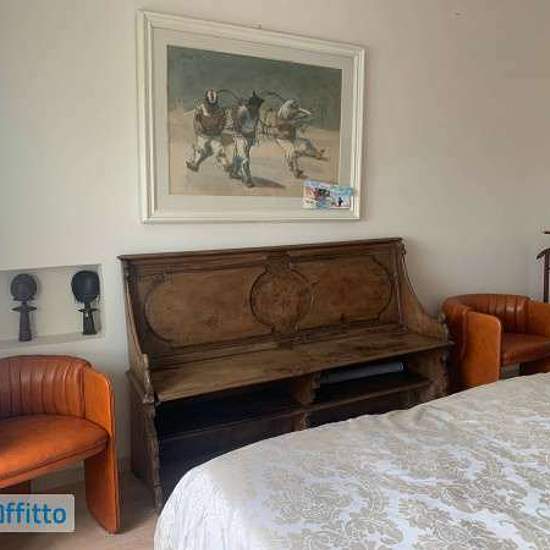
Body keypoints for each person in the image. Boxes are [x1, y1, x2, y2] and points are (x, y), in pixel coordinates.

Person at [270, 99, 326, 179]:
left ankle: (316, 154)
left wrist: (302, 111)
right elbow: (275, 130)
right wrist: (286, 129)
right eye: (292, 112)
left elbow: (306, 114)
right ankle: (295, 170)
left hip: (292, 136)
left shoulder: (291, 113)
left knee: (306, 143)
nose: (293, 114)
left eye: (294, 112)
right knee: (291, 151)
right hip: (282, 139)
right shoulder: (278, 117)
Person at [186, 89, 230, 173]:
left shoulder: (220, 110)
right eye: (210, 104)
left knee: (219, 149)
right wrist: (199, 128)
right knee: (201, 149)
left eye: (214, 104)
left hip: (215, 135)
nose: (211, 107)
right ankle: (195, 164)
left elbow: (223, 122)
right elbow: (196, 121)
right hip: (203, 135)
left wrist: (219, 128)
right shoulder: (200, 109)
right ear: (206, 101)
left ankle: (226, 165)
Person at [229, 91, 264, 187]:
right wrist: (243, 135)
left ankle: (234, 172)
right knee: (245, 158)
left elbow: (254, 126)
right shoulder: (243, 111)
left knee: (239, 155)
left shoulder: (257, 113)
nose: (257, 108)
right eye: (256, 106)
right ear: (251, 105)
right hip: (240, 136)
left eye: (258, 106)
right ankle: (247, 179)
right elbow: (237, 126)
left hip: (249, 137)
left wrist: (253, 137)